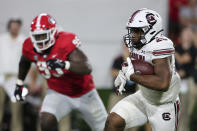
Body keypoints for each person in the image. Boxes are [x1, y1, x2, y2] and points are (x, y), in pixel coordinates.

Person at [13, 13, 107, 131]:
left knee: (104, 127)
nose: (40, 40)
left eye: (43, 36)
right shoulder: (29, 45)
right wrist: (19, 83)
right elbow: (25, 61)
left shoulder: (65, 42)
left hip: (84, 93)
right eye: (37, 37)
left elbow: (87, 67)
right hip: (58, 93)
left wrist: (64, 64)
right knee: (46, 120)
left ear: (52, 32)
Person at [104, 8, 181, 131]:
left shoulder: (160, 45)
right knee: (113, 120)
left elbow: (163, 83)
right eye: (132, 30)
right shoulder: (139, 44)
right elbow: (137, 65)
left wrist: (132, 76)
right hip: (144, 97)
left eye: (137, 31)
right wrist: (124, 72)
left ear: (151, 30)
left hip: (163, 104)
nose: (132, 35)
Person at [0, 18, 26, 131]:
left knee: (16, 109)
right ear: (9, 26)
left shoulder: (24, 40)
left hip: (16, 78)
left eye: (17, 26)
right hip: (2, 76)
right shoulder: (2, 39)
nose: (14, 28)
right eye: (12, 25)